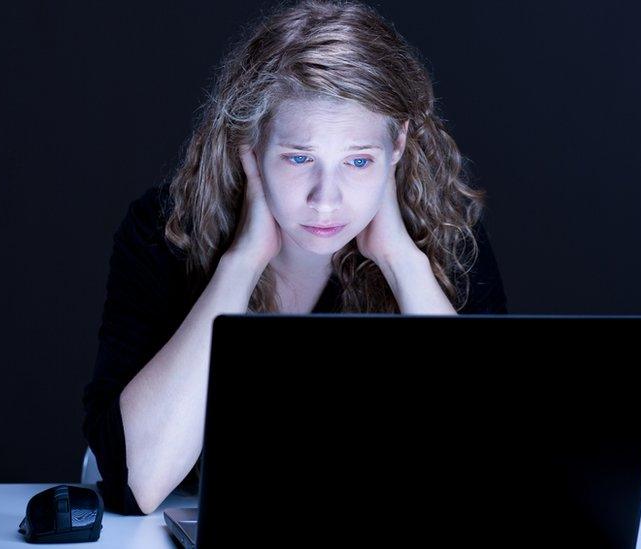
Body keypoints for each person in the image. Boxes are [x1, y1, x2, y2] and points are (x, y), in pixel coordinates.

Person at [82, 0, 509, 516]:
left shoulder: (446, 238)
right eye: (299, 158)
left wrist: (402, 261)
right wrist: (239, 265)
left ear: (397, 146)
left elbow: (497, 467)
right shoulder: (166, 232)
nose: (325, 200)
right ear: (252, 144)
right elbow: (137, 483)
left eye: (357, 161)